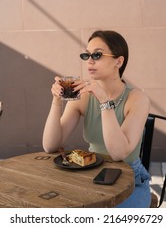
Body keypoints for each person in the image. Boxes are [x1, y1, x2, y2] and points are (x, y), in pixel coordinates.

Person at [42, 30, 151, 208]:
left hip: (131, 179)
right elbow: (50, 145)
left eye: (97, 55)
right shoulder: (84, 95)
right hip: (92, 173)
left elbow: (118, 153)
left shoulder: (137, 99)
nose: (90, 61)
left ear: (119, 61)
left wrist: (104, 101)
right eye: (87, 55)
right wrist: (56, 101)